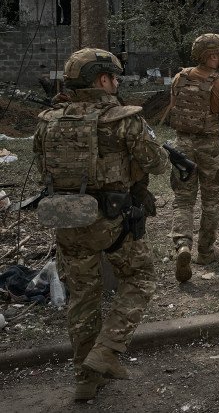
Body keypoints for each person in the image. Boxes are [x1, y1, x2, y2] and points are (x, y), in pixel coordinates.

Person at [34, 48, 169, 401]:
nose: (117, 82)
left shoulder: (47, 120)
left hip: (67, 220)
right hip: (113, 220)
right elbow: (156, 164)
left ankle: (85, 379)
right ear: (102, 78)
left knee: (83, 297)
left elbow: (41, 168)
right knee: (140, 278)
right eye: (114, 76)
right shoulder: (123, 118)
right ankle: (106, 351)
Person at [167, 33, 219, 283]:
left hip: (181, 147)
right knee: (211, 202)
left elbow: (173, 107)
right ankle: (206, 252)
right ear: (212, 56)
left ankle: (183, 246)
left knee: (183, 201)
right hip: (209, 148)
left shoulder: (179, 77)